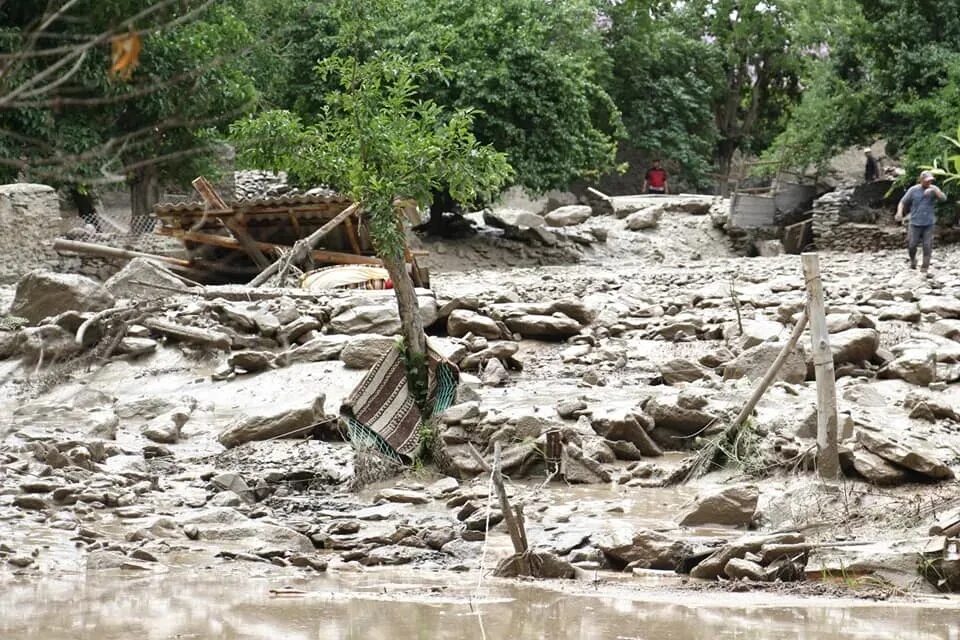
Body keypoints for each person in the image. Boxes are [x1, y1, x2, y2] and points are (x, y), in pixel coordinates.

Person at [895, 170, 946, 272]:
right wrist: (899, 213)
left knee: (927, 245)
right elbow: (902, 202)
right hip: (915, 222)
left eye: (930, 181)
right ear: (921, 180)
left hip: (929, 223)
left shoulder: (934, 189)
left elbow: (943, 198)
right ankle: (913, 260)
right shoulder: (913, 190)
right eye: (926, 181)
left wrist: (935, 190)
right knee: (912, 245)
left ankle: (924, 267)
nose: (928, 183)